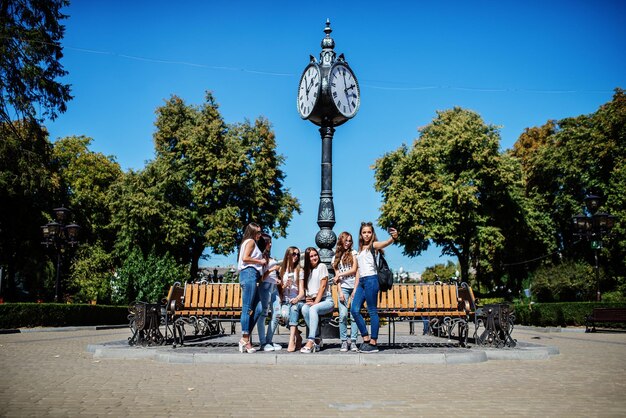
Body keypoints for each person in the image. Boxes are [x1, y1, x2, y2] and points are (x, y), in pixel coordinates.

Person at [350, 222, 398, 353]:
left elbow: (385, 243)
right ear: (361, 234)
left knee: (372, 311)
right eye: (364, 232)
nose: (366, 234)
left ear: (372, 234)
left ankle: (373, 342)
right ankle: (366, 338)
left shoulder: (373, 245)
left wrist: (393, 237)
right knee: (354, 310)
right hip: (361, 282)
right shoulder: (359, 250)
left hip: (371, 280)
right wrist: (355, 287)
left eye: (369, 232)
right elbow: (358, 270)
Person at [236, 222, 267, 353]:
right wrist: (260, 261)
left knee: (259, 308)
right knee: (247, 307)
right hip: (249, 274)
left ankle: (246, 337)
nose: (259, 235)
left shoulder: (248, 242)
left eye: (260, 232)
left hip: (251, 275)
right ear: (253, 232)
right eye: (258, 232)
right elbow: (245, 258)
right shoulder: (250, 242)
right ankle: (245, 338)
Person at [300, 247, 335, 353]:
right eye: (311, 256)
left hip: (326, 300)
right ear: (307, 258)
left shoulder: (322, 266)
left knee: (313, 309)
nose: (314, 257)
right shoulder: (307, 271)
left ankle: (311, 340)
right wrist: (308, 298)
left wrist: (316, 302)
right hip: (315, 300)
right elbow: (307, 290)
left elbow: (323, 286)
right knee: (305, 309)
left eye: (315, 255)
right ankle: (317, 338)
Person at [254, 233, 282, 351]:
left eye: (271, 242)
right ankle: (263, 342)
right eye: (268, 242)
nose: (270, 244)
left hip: (274, 287)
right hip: (264, 287)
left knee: (277, 313)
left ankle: (269, 340)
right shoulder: (259, 258)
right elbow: (259, 278)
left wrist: (279, 279)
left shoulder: (269, 257)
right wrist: (272, 269)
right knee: (264, 314)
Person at [332, 232, 359, 352]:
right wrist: (340, 292)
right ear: (341, 241)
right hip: (343, 288)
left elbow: (355, 271)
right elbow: (337, 280)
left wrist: (356, 289)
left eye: (349, 241)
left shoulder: (354, 253)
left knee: (354, 315)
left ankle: (353, 341)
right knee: (342, 315)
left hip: (354, 287)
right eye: (346, 240)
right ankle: (344, 341)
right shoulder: (335, 258)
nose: (348, 243)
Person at [277, 246, 305, 352]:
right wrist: (284, 285)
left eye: (298, 254)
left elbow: (302, 292)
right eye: (294, 254)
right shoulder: (281, 270)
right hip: (285, 300)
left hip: (297, 300)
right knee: (284, 314)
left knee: (293, 309)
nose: (296, 256)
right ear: (288, 254)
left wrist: (297, 299)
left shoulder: (300, 270)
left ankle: (291, 340)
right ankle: (298, 336)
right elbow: (279, 291)